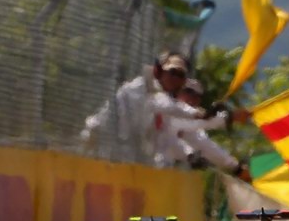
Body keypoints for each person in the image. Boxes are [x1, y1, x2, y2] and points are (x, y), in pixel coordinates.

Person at [81, 51, 241, 166]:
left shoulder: (163, 105)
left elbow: (177, 134)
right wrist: (202, 114)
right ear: (158, 71)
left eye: (181, 75)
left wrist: (190, 154)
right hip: (98, 148)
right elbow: (169, 106)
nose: (176, 79)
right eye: (172, 72)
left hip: (121, 158)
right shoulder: (142, 87)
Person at [173, 78, 251, 180]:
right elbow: (207, 123)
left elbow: (207, 146)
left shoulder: (194, 129)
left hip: (174, 176)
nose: (193, 98)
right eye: (189, 92)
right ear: (178, 92)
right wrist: (231, 116)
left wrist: (236, 168)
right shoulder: (171, 109)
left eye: (197, 96)